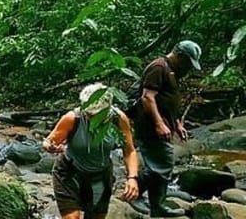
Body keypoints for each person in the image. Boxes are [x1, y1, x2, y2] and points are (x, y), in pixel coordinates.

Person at [43, 83, 140, 219]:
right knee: (72, 217)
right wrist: (51, 147)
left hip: (100, 175)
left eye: (97, 115)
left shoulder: (119, 119)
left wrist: (132, 178)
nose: (91, 118)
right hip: (70, 173)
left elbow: (129, 151)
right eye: (88, 114)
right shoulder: (72, 118)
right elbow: (48, 141)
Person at [130, 40, 200, 217]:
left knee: (161, 165)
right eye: (188, 63)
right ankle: (135, 193)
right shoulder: (158, 67)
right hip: (149, 126)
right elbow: (148, 97)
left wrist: (176, 123)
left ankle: (156, 205)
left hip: (164, 125)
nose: (188, 68)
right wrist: (159, 123)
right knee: (162, 164)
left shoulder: (172, 71)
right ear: (180, 56)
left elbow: (167, 101)